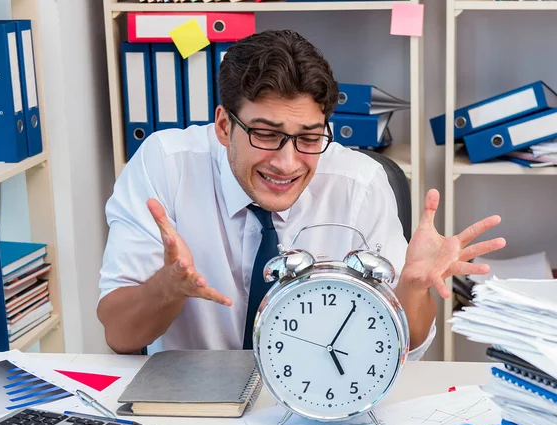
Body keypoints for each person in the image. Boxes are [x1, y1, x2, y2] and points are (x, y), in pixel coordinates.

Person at [98, 29, 505, 357]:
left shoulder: (359, 184)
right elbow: (119, 335)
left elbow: (407, 341)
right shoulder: (165, 164)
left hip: (323, 404)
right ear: (224, 126)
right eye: (266, 134)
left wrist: (413, 288)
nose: (287, 163)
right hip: (191, 409)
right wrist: (168, 287)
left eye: (309, 138)